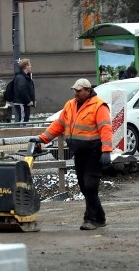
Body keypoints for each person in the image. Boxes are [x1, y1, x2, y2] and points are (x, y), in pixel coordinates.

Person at [30, 78, 112, 230]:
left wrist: (106, 151)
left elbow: (106, 129)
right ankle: (100, 218)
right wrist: (43, 138)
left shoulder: (99, 106)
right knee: (84, 186)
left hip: (94, 152)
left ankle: (91, 219)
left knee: (90, 185)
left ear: (88, 91)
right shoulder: (70, 105)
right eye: (75, 90)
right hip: (79, 153)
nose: (76, 93)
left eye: (79, 91)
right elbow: (58, 125)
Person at [12, 58, 36, 123]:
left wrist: (32, 100)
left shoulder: (24, 76)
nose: (31, 66)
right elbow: (22, 90)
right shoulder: (21, 77)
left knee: (25, 119)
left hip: (23, 102)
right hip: (21, 102)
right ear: (26, 66)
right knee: (23, 120)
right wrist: (28, 100)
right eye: (29, 65)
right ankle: (21, 133)